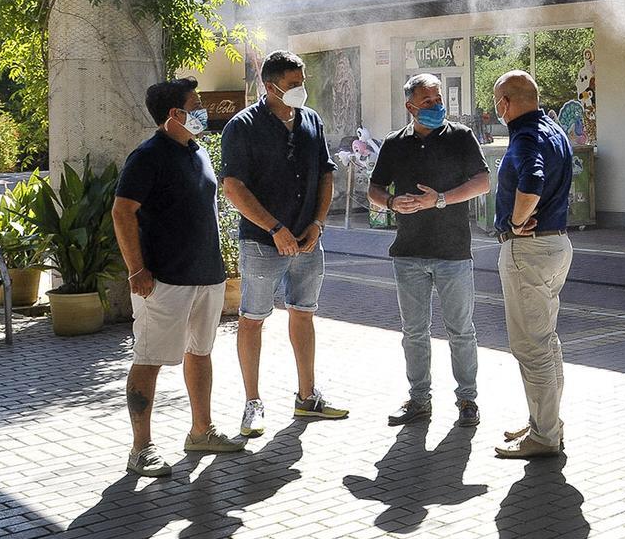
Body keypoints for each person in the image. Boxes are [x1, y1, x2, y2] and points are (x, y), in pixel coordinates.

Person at [112, 77, 245, 477]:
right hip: (163, 280)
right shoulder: (147, 156)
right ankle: (141, 449)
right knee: (149, 359)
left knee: (200, 353)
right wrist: (136, 270)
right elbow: (122, 212)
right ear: (175, 113)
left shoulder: (198, 151)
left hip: (206, 276)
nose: (203, 109)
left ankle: (201, 431)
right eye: (196, 103)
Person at [220, 50, 348, 437]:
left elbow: (326, 175)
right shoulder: (241, 127)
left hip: (308, 242)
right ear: (269, 85)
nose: (300, 91)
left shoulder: (311, 121)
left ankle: (307, 397)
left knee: (304, 313)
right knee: (253, 319)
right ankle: (252, 403)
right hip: (262, 243)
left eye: (302, 83)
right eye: (292, 85)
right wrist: (275, 228)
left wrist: (317, 223)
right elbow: (233, 188)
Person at [366, 73, 491, 427]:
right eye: (428, 102)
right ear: (410, 107)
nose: (437, 106)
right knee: (414, 332)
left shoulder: (461, 137)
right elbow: (373, 189)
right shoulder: (394, 143)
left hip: (453, 252)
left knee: (461, 330)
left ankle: (467, 401)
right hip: (408, 253)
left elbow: (482, 182)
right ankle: (419, 401)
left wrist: (440, 200)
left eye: (438, 100)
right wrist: (391, 202)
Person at [490, 70, 574, 459]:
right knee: (547, 341)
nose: (496, 109)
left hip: (529, 251)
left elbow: (532, 181)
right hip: (557, 246)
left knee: (532, 347)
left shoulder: (524, 136)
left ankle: (544, 435)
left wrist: (517, 221)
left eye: (496, 101)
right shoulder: (553, 129)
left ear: (506, 101)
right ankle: (547, 422)